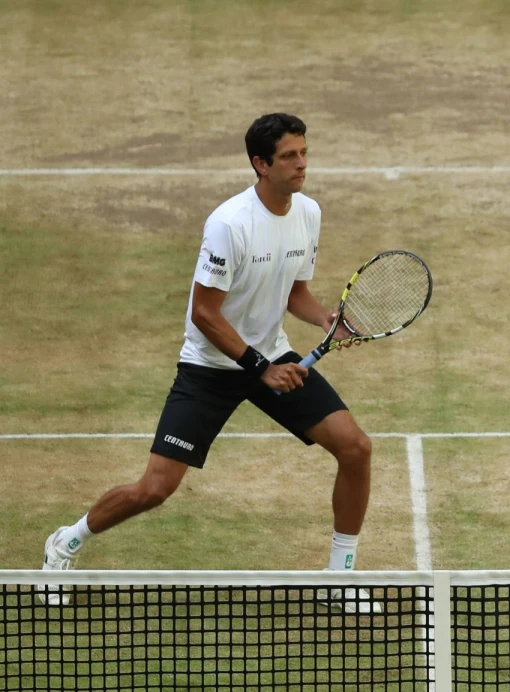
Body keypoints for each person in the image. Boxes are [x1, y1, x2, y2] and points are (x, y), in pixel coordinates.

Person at [39, 113, 379, 610]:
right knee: (155, 489)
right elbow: (204, 314)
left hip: (269, 355)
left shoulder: (308, 213)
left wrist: (327, 319)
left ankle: (339, 577)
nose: (302, 164)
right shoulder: (229, 224)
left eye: (304, 152)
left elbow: (295, 293)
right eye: (289, 156)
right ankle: (66, 541)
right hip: (211, 367)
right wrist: (261, 368)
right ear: (261, 164)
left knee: (355, 448)